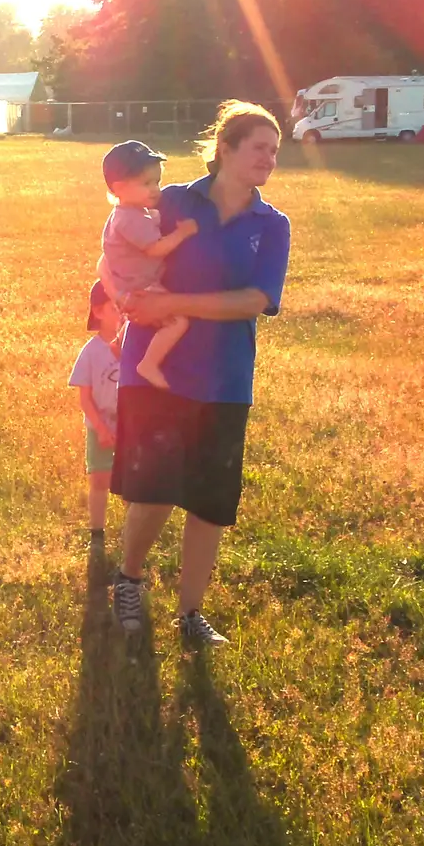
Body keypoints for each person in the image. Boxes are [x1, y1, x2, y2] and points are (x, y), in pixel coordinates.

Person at [110, 101, 290, 648]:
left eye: (275, 152)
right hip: (157, 370)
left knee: (210, 500)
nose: (269, 159)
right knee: (156, 489)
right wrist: (123, 296)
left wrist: (179, 302)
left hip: (225, 378)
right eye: (258, 147)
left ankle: (191, 614)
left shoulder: (272, 224)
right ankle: (128, 581)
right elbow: (117, 241)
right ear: (225, 150)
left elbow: (256, 299)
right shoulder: (172, 201)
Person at [97, 140, 198, 389]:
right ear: (119, 188)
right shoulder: (130, 220)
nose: (155, 190)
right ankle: (149, 363)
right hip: (142, 287)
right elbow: (156, 249)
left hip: (131, 283)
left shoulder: (129, 214)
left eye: (157, 182)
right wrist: (183, 234)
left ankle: (120, 339)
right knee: (178, 322)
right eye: (146, 183)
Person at [69, 280, 123, 543]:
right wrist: (101, 428)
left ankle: (132, 531)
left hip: (130, 428)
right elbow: (85, 398)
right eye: (116, 308)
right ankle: (97, 532)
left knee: (129, 484)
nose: (122, 315)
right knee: (100, 480)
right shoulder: (90, 352)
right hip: (99, 427)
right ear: (99, 311)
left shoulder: (132, 349)